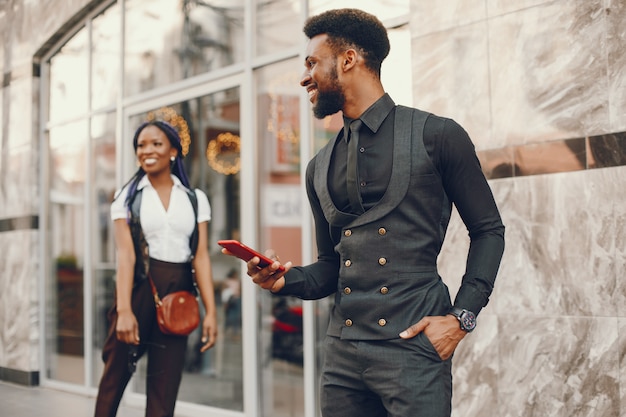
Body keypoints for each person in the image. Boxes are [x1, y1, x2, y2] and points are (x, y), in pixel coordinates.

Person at [226, 8, 505, 417]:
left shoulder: (438, 135)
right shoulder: (317, 167)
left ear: (348, 60)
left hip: (414, 349)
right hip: (342, 359)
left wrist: (461, 317)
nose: (304, 77)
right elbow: (330, 267)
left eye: (311, 63)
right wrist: (283, 281)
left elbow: (489, 230)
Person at [94, 120, 218, 417]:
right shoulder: (127, 196)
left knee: (165, 388)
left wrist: (211, 312)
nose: (146, 150)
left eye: (156, 144)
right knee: (114, 378)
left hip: (179, 295)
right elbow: (125, 256)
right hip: (138, 290)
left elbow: (200, 257)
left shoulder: (194, 198)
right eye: (141, 145)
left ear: (173, 150)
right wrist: (124, 310)